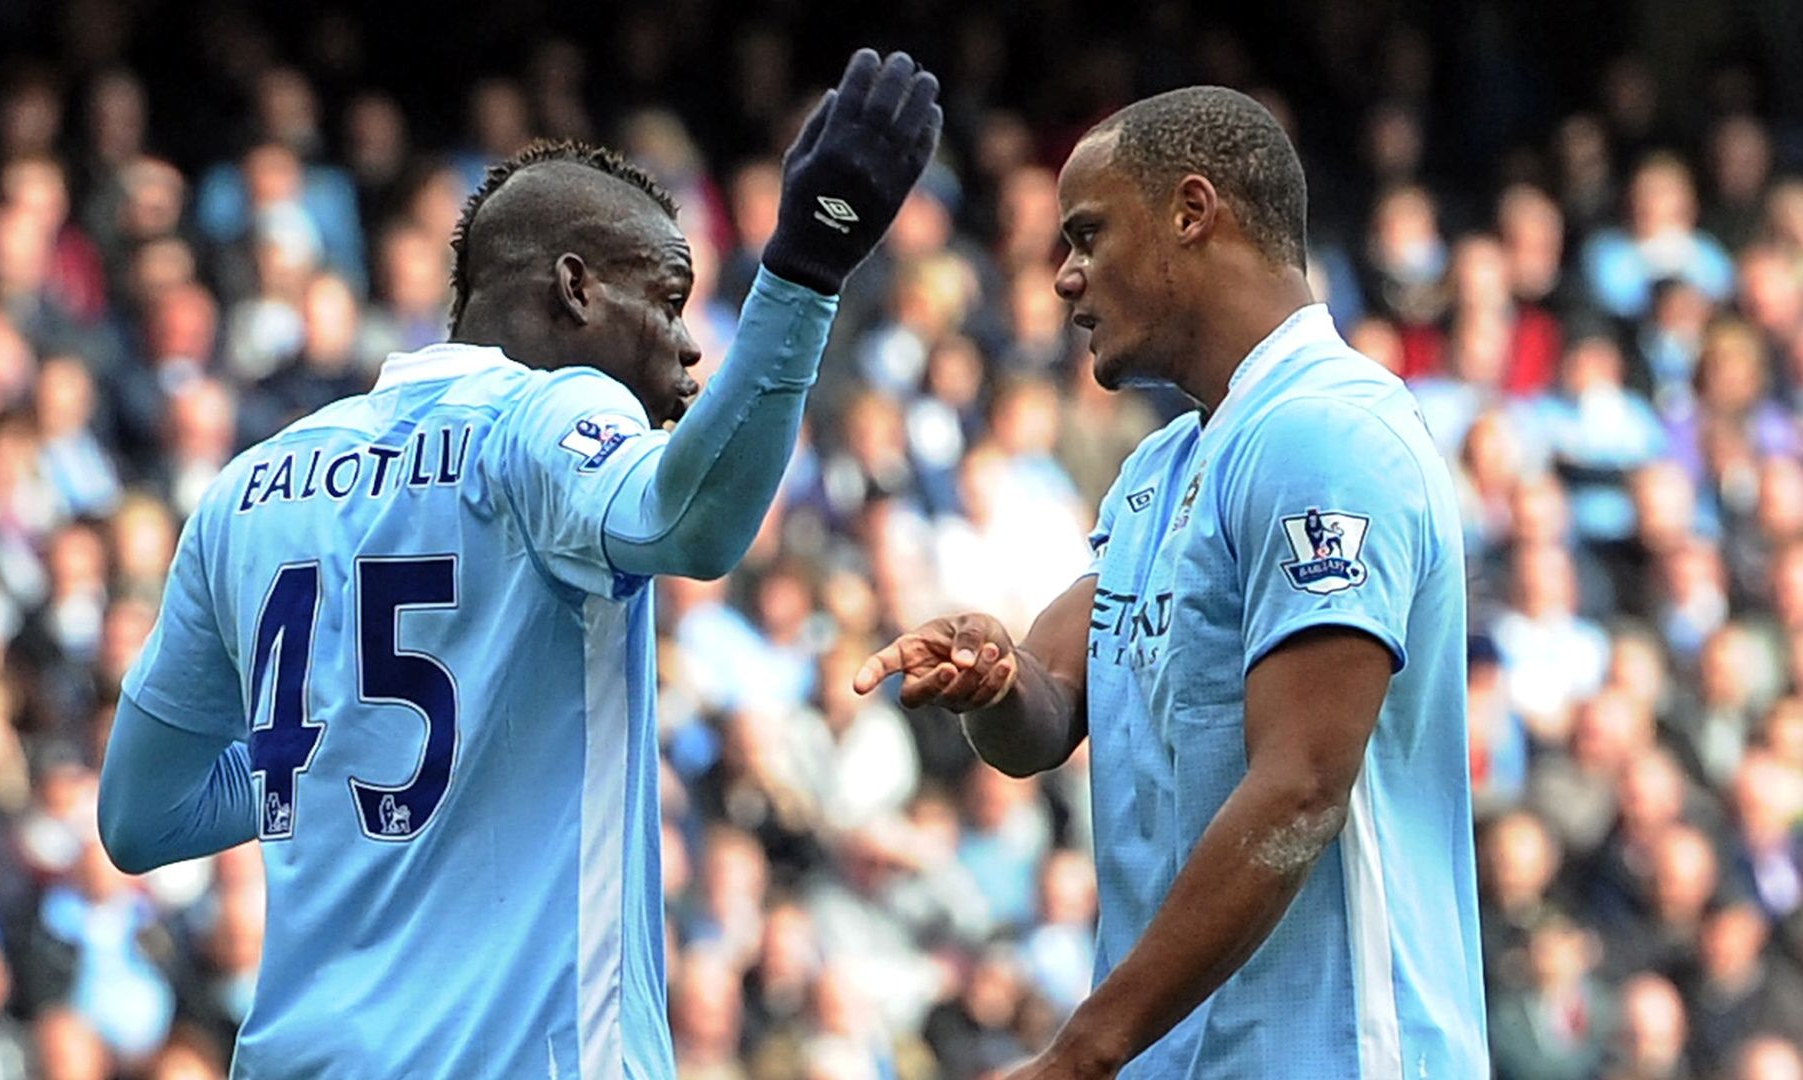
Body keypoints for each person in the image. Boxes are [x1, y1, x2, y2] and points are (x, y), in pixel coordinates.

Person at [94, 49, 941, 1078]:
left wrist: (324, 757)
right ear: (574, 289)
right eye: (667, 299)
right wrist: (806, 271)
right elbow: (697, 527)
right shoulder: (542, 418)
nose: (687, 347)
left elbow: (143, 816)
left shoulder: (249, 486)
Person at [855, 86, 1488, 1076]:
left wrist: (1082, 1051)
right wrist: (994, 677)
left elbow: (1302, 787)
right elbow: (1049, 707)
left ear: (1193, 213)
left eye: (1087, 235)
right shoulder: (1163, 471)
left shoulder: (1325, 432)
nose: (1064, 277)